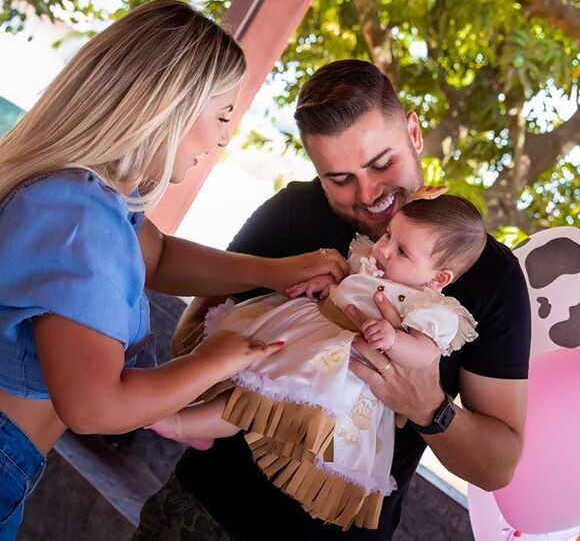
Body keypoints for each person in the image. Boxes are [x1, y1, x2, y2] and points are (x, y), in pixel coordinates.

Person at [134, 59, 531, 541]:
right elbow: (191, 334)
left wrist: (428, 405)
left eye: (383, 163)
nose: (370, 195)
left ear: (414, 132)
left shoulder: (493, 276)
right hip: (199, 514)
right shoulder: (294, 210)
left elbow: (496, 467)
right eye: (339, 179)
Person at [0, 0, 348, 541]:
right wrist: (215, 361)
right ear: (171, 108)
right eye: (223, 116)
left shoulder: (86, 196)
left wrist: (276, 271)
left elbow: (159, 256)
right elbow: (93, 407)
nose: (225, 138)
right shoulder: (79, 219)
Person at [146, 192, 486, 529]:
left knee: (258, 402)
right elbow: (345, 281)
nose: (383, 249)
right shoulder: (370, 261)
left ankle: (184, 423)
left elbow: (425, 352)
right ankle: (187, 410)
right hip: (306, 332)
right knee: (238, 362)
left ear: (438, 278)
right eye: (388, 235)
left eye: (401, 251)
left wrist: (396, 340)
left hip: (335, 368)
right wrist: (326, 282)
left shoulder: (431, 309)